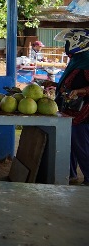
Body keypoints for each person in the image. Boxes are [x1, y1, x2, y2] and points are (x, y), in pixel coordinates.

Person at [54, 29, 89, 185]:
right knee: (69, 145)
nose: (66, 46)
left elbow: (82, 87)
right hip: (70, 111)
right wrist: (56, 85)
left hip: (84, 113)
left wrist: (79, 91)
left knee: (82, 147)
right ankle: (70, 175)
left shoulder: (87, 61)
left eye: (68, 42)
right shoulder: (77, 60)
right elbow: (71, 83)